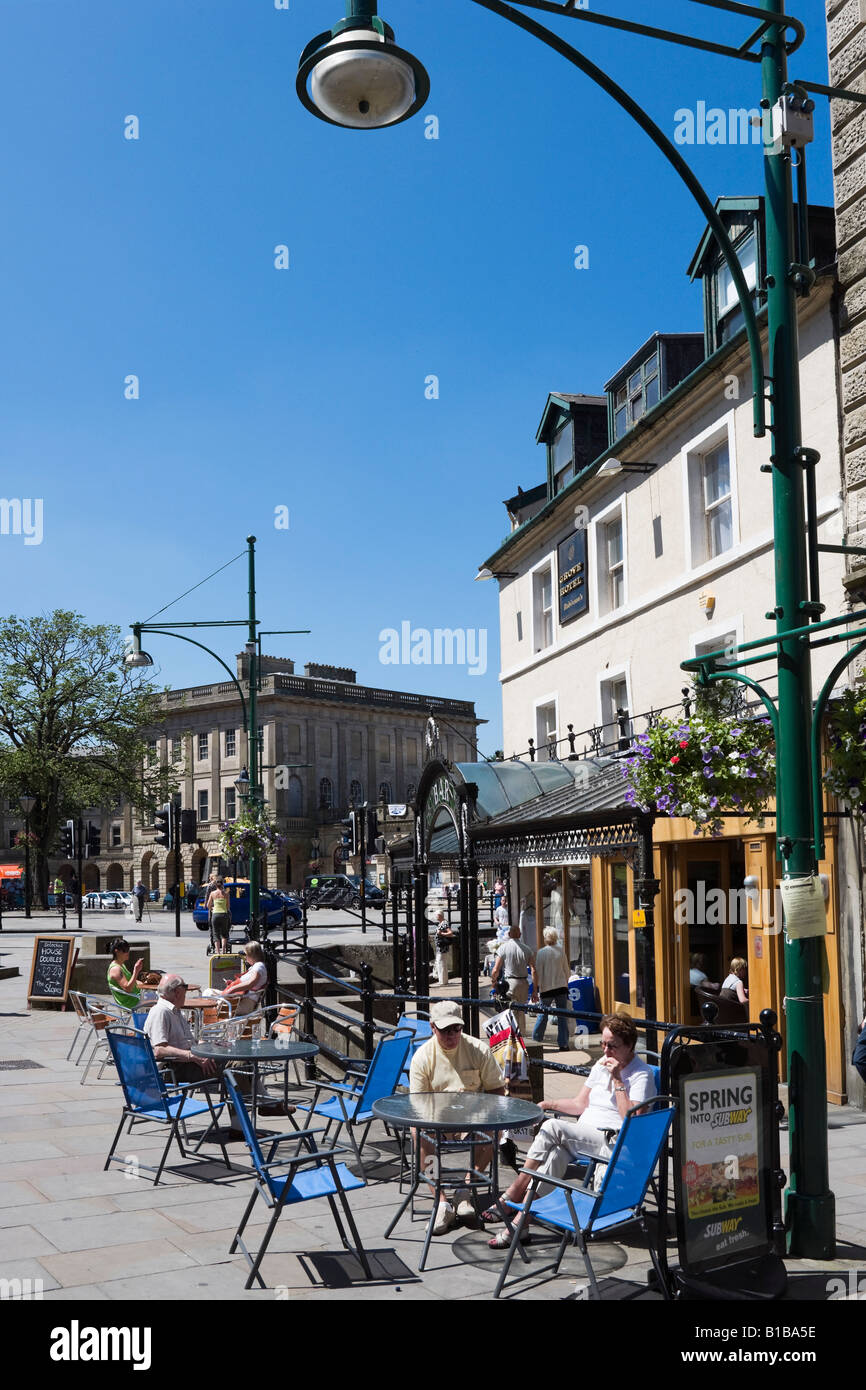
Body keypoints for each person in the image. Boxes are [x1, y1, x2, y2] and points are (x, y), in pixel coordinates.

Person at [486, 1012, 657, 1247]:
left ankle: (513, 1192)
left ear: (629, 1046)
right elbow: (579, 1105)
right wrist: (548, 1104)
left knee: (554, 1126)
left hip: (613, 1143)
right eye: (603, 1044)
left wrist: (618, 1080)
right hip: (583, 1139)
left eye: (612, 1046)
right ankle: (521, 1222)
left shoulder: (641, 1074)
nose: (606, 1051)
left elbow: (632, 1120)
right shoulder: (600, 1065)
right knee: (554, 1155)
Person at [409, 1000, 506, 1235]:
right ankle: (441, 1201)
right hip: (435, 1118)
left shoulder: (478, 1049)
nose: (451, 1034)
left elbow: (496, 1090)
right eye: (445, 1030)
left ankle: (465, 1188)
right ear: (433, 1028)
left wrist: (480, 1112)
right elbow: (418, 1104)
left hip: (472, 1116)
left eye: (456, 1028)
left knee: (496, 1129)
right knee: (419, 1132)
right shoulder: (423, 1058)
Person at [143, 975, 219, 1083]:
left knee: (233, 1061)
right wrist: (193, 1056)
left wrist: (211, 1046)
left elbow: (188, 1041)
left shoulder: (175, 1011)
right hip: (173, 1069)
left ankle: (240, 1097)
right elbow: (159, 1050)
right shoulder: (160, 1012)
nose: (186, 993)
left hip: (186, 1064)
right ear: (178, 992)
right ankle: (242, 1098)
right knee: (234, 1066)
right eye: (185, 988)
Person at [490, 925, 537, 1029]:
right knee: (521, 1011)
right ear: (520, 935)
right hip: (523, 983)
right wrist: (534, 990)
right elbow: (533, 970)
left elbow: (495, 970)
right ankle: (522, 1035)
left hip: (509, 983)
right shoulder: (527, 949)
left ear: (509, 934)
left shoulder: (503, 948)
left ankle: (512, 1036)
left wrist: (494, 983)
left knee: (510, 1010)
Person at [532, 927, 571, 1052]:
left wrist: (537, 988)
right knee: (562, 1016)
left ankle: (536, 1040)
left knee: (542, 1015)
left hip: (546, 988)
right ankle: (563, 1043)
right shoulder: (561, 951)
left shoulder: (541, 953)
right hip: (561, 987)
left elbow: (538, 972)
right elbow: (567, 971)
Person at [219, 941, 268, 1016]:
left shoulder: (259, 966)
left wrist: (232, 989)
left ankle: (204, 1024)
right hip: (240, 999)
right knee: (208, 992)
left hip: (244, 1003)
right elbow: (249, 983)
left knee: (209, 997)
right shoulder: (256, 966)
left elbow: (251, 983)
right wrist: (232, 983)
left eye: (246, 955)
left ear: (251, 955)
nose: (245, 957)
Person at [107, 937, 145, 1009]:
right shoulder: (116, 969)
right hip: (131, 1002)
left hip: (136, 997)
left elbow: (130, 980)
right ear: (116, 951)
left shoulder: (121, 965)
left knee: (159, 995)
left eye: (128, 950)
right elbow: (127, 988)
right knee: (160, 1000)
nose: (127, 952)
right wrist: (136, 971)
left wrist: (145, 984)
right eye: (125, 950)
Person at [207, 878, 231, 953]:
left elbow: (208, 905)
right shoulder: (226, 894)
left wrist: (212, 909)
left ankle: (218, 952)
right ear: (222, 885)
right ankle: (223, 950)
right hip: (224, 914)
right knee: (224, 933)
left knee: (216, 934)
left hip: (215, 915)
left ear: (216, 885)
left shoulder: (212, 893)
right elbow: (228, 907)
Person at [432, 910, 454, 987]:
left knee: (441, 963)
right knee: (441, 963)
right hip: (441, 947)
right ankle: (443, 980)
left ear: (440, 915)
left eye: (436, 915)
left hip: (442, 947)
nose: (435, 917)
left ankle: (442, 981)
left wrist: (441, 933)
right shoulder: (442, 923)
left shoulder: (444, 923)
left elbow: (450, 933)